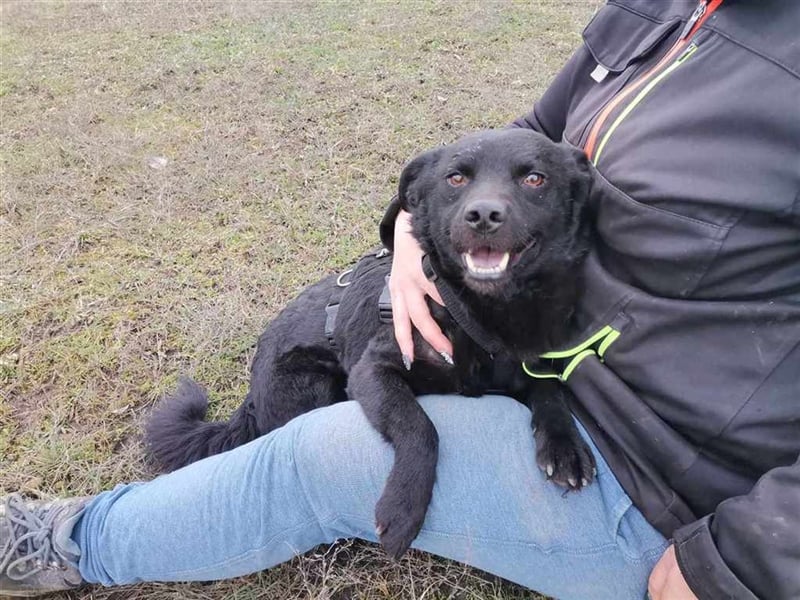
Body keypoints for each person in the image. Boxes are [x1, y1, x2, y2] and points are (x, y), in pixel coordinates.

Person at [2, 0, 798, 598]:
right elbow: (527, 136)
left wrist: (741, 561)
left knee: (329, 457)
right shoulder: (668, 9)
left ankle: (68, 542)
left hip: (665, 488)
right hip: (554, 368)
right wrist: (413, 241)